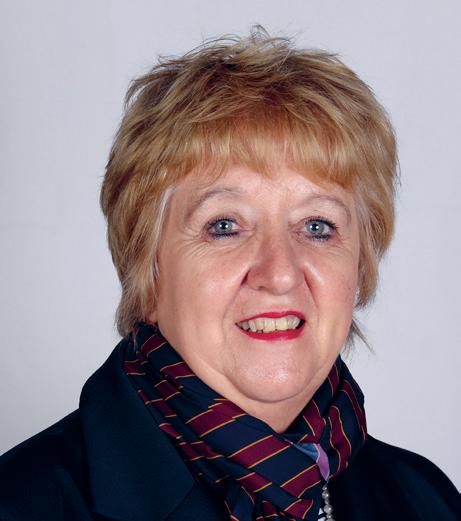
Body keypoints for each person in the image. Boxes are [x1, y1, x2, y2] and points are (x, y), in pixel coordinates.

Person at [0, 29, 459, 521]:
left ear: (360, 265)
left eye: (317, 226)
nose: (279, 275)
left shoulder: (425, 501)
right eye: (224, 226)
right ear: (147, 271)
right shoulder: (21, 505)